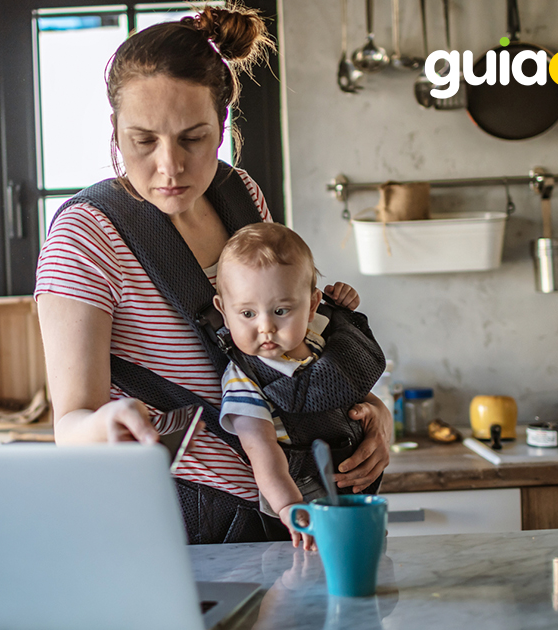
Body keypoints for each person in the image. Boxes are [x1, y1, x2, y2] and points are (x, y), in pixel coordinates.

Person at [34, 4, 393, 545]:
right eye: (143, 139)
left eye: (193, 138)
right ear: (114, 127)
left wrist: (371, 411)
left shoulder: (240, 195)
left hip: (295, 511)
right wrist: (104, 428)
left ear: (224, 125)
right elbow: (71, 423)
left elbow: (278, 343)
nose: (169, 166)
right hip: (180, 520)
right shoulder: (86, 236)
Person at [213, 223, 385, 549]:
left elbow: (345, 327)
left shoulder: (318, 336)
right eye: (247, 313)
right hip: (299, 498)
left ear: (310, 306)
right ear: (223, 311)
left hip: (354, 482)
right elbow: (262, 452)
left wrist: (345, 300)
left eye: (281, 311)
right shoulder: (244, 379)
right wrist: (290, 508)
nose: (265, 327)